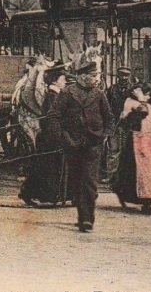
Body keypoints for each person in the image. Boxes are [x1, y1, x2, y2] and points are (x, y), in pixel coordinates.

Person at [49, 60, 112, 232]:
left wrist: (104, 136)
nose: (96, 79)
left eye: (97, 75)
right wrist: (63, 138)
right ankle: (81, 214)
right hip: (73, 143)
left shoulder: (99, 94)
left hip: (93, 143)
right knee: (76, 181)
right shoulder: (67, 93)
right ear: (82, 76)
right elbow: (54, 117)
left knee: (90, 182)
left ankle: (87, 219)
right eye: (93, 76)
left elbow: (109, 118)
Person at [19, 60, 68, 206]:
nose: (65, 81)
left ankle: (48, 195)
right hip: (49, 138)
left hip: (50, 136)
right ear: (55, 81)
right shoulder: (53, 96)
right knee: (45, 168)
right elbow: (52, 119)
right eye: (62, 79)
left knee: (47, 167)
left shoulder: (55, 94)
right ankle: (30, 192)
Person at [113, 82, 151, 215]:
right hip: (136, 141)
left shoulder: (144, 104)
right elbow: (141, 116)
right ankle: (145, 202)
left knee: (148, 171)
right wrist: (141, 99)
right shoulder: (132, 105)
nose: (148, 97)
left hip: (147, 140)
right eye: (146, 94)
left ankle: (145, 201)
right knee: (139, 172)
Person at [104, 66, 134, 179]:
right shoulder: (112, 90)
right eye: (122, 75)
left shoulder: (133, 90)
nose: (124, 78)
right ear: (118, 76)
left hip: (128, 125)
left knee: (127, 151)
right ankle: (111, 176)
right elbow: (107, 107)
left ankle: (126, 177)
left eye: (126, 75)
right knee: (113, 151)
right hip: (114, 125)